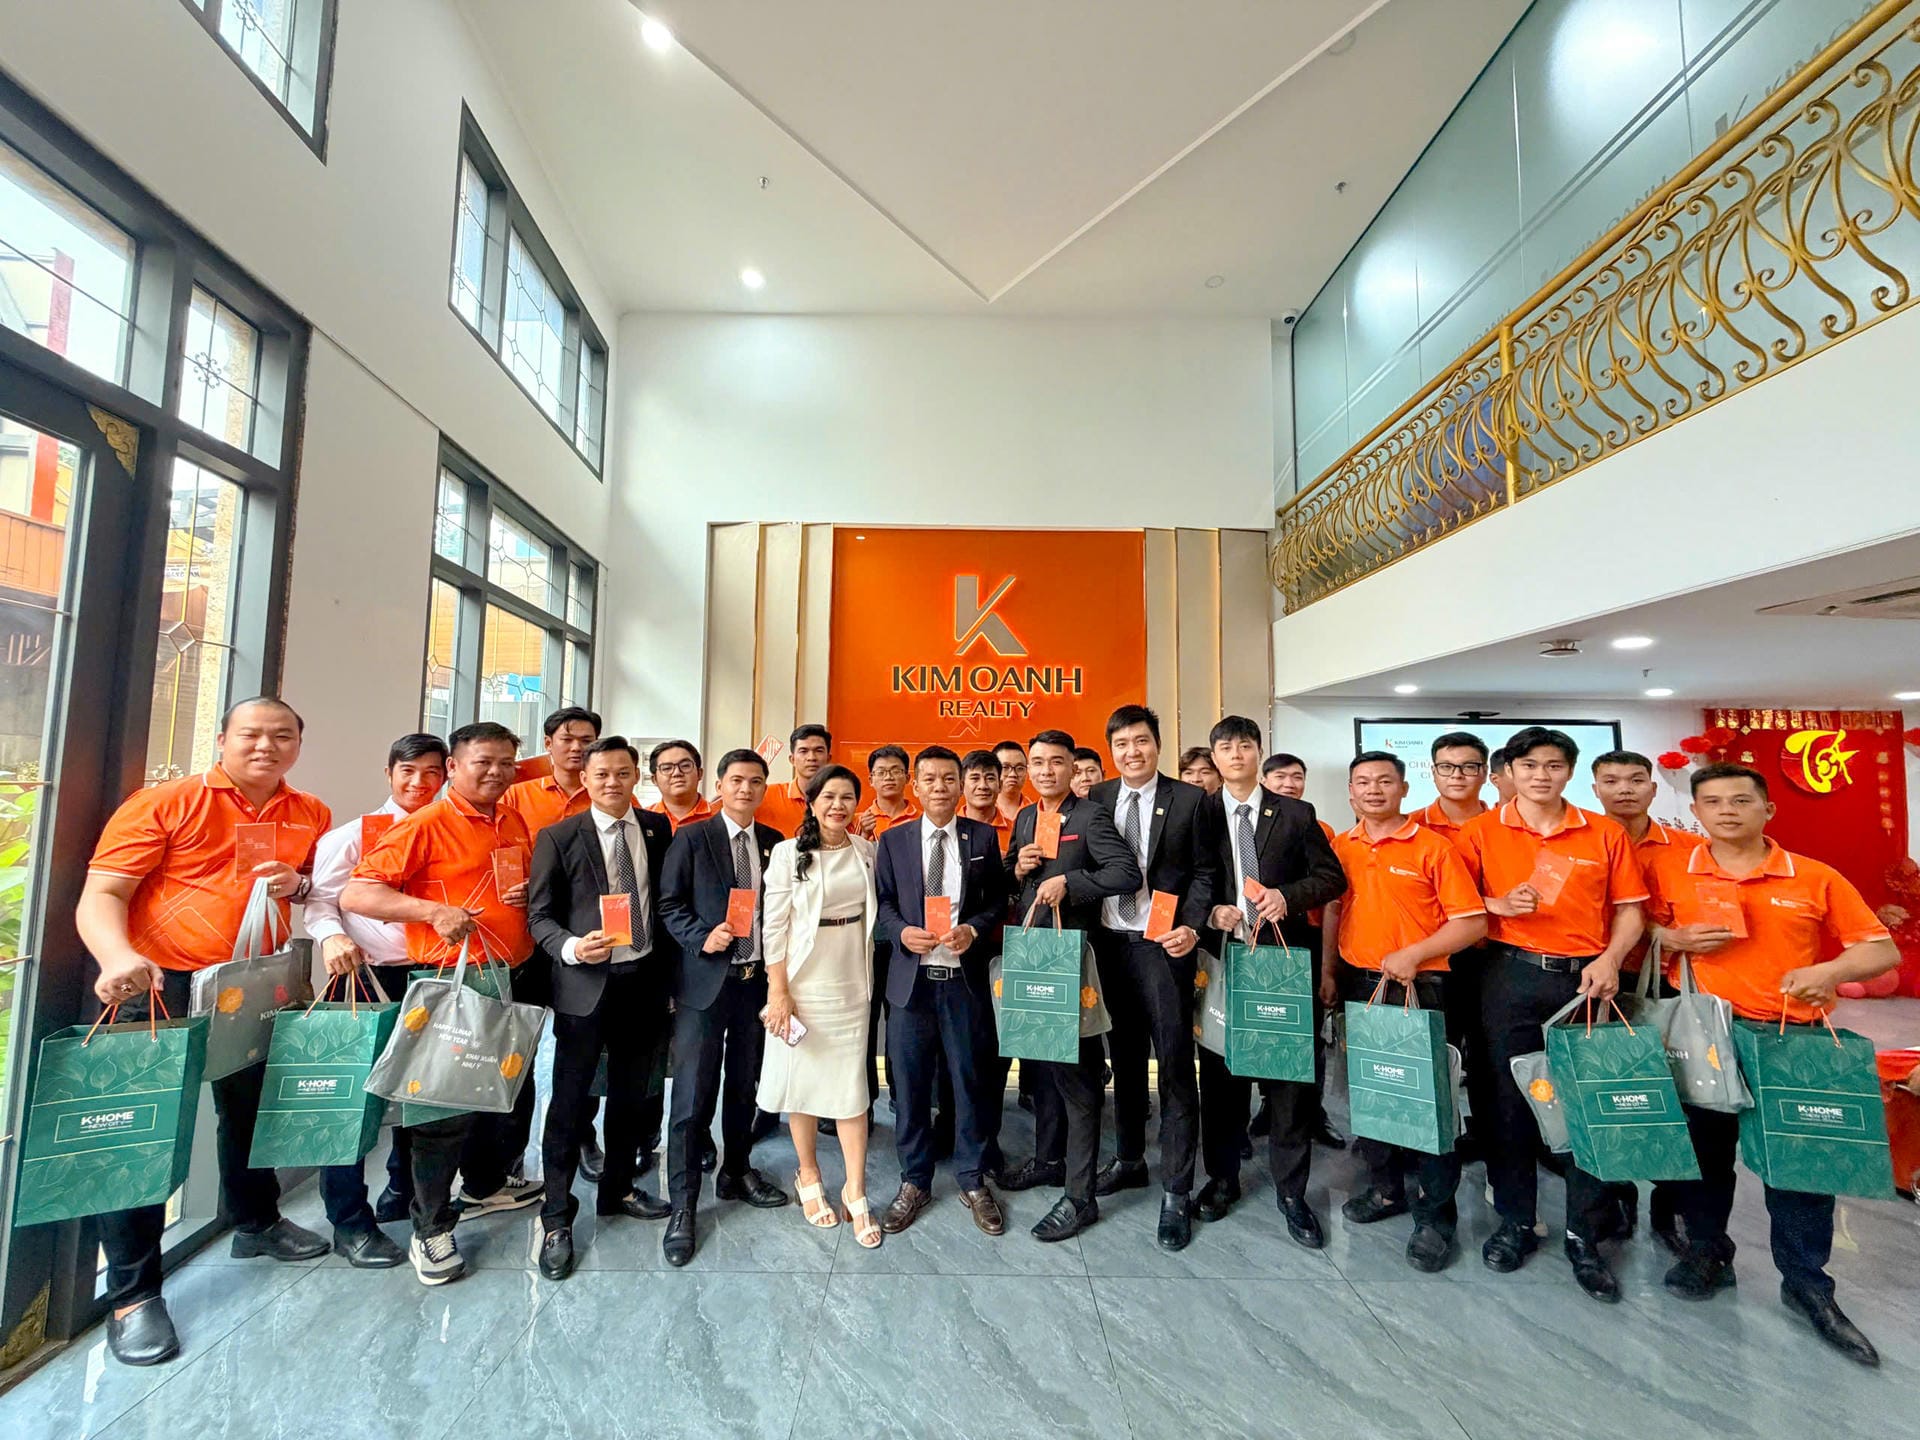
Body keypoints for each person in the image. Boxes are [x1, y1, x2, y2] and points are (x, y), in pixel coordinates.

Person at [77, 698, 333, 1366]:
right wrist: (116, 958)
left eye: (282, 736)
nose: (266, 746)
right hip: (158, 987)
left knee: (249, 1113)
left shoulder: (308, 812)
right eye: (251, 734)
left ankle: (257, 1222)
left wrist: (299, 885)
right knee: (142, 1134)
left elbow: (310, 890)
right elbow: (103, 894)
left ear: (297, 745)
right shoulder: (167, 803)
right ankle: (133, 1295)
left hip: (251, 983)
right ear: (222, 739)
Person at [1641, 763, 1896, 1366]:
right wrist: (1669, 939)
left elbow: (1879, 948)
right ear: (1695, 813)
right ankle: (1708, 1251)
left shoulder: (1813, 875)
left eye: (1740, 800)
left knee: (1801, 1164)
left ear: (1768, 810)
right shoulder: (1670, 868)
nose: (1726, 811)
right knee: (1704, 1157)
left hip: (1790, 1039)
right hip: (1704, 1034)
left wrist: (1830, 970)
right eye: (1712, 802)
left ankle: (1807, 1283)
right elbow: (1634, 924)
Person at [344, 720, 544, 1287]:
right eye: (484, 761)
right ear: (453, 767)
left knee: (501, 1095)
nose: (497, 772)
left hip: (509, 976)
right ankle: (430, 1228)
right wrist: (431, 912)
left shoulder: (509, 818)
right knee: (442, 1113)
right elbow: (359, 891)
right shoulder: (426, 824)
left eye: (506, 762)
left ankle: (484, 1187)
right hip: (451, 983)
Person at [1456, 726, 1647, 1303]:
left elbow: (1631, 910)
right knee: (1508, 1104)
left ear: (1570, 772)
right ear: (1510, 772)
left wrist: (1611, 960)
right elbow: (1450, 903)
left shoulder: (1604, 832)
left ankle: (1585, 1233)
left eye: (1554, 765)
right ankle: (1516, 1221)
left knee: (1588, 1105)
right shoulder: (1480, 832)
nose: (1541, 775)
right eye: (1529, 765)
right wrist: (1496, 903)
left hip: (1587, 979)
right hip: (1508, 974)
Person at [1322, 751, 1487, 1271]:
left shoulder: (1433, 847)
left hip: (1422, 985)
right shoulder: (1341, 847)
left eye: (1384, 781)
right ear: (1351, 792)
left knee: (1428, 1104)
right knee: (1372, 1092)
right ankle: (1387, 1188)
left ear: (1404, 789)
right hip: (1359, 982)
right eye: (1363, 782)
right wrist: (1328, 972)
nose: (1373, 790)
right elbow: (1334, 912)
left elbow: (1471, 922)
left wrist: (1414, 955)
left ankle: (1435, 1217)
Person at [525, 737, 677, 1280]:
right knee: (569, 1103)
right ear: (585, 779)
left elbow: (664, 905)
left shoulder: (656, 829)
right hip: (585, 988)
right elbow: (539, 916)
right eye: (602, 774)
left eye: (622, 773)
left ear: (637, 776)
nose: (613, 782)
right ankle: (556, 1216)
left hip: (643, 984)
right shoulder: (559, 836)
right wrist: (570, 947)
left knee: (633, 1097)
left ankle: (618, 1189)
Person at [1195, 716, 1346, 1247]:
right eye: (1225, 747)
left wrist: (1287, 897)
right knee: (1221, 1077)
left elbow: (1331, 878)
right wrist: (1208, 914)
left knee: (1289, 1083)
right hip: (1224, 958)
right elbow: (1186, 880)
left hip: (1283, 960)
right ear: (1214, 757)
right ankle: (1222, 1179)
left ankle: (1291, 1192)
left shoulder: (1296, 813)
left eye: (1245, 745)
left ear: (1259, 752)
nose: (1236, 754)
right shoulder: (1199, 812)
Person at [304, 732, 450, 1265]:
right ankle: (349, 1223)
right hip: (364, 980)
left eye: (431, 772)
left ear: (446, 775)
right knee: (350, 1104)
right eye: (408, 771)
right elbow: (321, 902)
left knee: (421, 1094)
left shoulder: (448, 832)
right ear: (389, 774)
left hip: (429, 976)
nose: (419, 782)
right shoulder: (350, 837)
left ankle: (402, 1192)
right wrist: (331, 938)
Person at [997, 730, 1141, 1241]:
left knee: (1079, 1083)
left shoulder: (1090, 816)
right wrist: (1018, 867)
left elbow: (1126, 873)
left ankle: (1080, 1198)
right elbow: (1011, 877)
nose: (1045, 771)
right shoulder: (1025, 817)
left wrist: (1071, 883)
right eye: (1036, 762)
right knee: (1044, 1074)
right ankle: (1049, 1160)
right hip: (1033, 958)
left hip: (1074, 963)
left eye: (1056, 762)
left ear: (1071, 767)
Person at [1089, 705, 1221, 1252]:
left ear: (1157, 744)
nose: (1132, 752)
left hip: (1162, 946)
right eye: (1121, 744)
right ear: (1111, 751)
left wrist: (1191, 926)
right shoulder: (1096, 798)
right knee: (1122, 1060)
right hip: (1109, 945)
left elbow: (1207, 873)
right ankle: (1129, 1160)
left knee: (1173, 1066)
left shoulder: (1190, 799)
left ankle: (1176, 1189)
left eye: (1140, 741)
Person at [656, 748, 791, 1266]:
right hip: (705, 983)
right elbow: (669, 904)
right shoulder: (693, 838)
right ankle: (684, 1203)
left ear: (763, 789)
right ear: (718, 785)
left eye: (755, 782)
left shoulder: (774, 843)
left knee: (744, 1086)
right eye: (736, 780)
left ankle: (736, 1170)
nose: (745, 789)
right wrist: (700, 936)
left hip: (756, 983)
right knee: (692, 1095)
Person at [874, 745, 1009, 1235]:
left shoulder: (982, 837)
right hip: (911, 986)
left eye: (948, 779)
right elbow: (883, 902)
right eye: (929, 779)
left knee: (970, 1082)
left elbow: (997, 901)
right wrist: (901, 932)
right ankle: (915, 1180)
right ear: (915, 785)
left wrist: (973, 928)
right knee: (910, 1087)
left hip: (963, 985)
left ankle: (973, 1179)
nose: (939, 787)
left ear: (961, 785)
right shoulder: (894, 840)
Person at [758, 764, 884, 1248]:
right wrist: (779, 990)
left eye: (847, 797)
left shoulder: (865, 850)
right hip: (804, 982)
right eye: (828, 796)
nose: (838, 805)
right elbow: (773, 927)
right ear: (811, 802)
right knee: (804, 1083)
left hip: (852, 979)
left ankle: (855, 1188)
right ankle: (808, 1173)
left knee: (851, 1086)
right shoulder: (788, 854)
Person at [1590, 747, 1684, 1248]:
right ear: (1595, 789)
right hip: (1600, 982)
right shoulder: (1582, 841)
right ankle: (1614, 1197)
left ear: (1652, 787)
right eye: (1611, 781)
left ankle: (1673, 1207)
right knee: (1609, 1095)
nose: (1623, 789)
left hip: (1670, 986)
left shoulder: (1689, 848)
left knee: (1678, 1095)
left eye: (1634, 779)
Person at [1247, 750, 1343, 1151]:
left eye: (1297, 777)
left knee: (1305, 1036)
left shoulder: (1314, 825)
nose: (1290, 784)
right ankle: (1269, 1106)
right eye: (1281, 777)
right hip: (1255, 944)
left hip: (1305, 941)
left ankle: (1311, 1113)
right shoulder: (1242, 824)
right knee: (1262, 1030)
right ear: (1264, 782)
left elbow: (1332, 886)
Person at [1418, 730, 1495, 1165]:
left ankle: (1489, 1137)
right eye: (1447, 767)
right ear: (1433, 772)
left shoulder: (1506, 824)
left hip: (1496, 957)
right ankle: (1434, 1144)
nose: (1458, 775)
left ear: (1484, 772)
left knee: (1489, 1057)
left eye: (1469, 767)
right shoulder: (1413, 826)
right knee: (1437, 1053)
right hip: (1435, 958)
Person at [502, 706, 600, 834]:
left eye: (586, 741)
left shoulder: (609, 793)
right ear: (548, 743)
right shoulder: (515, 795)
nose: (576, 747)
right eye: (567, 740)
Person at [758, 723, 832, 838]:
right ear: (792, 759)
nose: (811, 757)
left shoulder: (840, 800)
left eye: (819, 750)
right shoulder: (766, 795)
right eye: (803, 751)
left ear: (829, 758)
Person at [647, 739, 715, 833]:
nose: (677, 773)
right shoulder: (643, 820)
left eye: (685, 766)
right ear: (654, 779)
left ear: (699, 773)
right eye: (667, 768)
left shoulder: (721, 817)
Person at [856, 744, 918, 839]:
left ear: (907, 778)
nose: (888, 777)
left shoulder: (922, 819)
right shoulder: (857, 821)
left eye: (895, 771)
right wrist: (864, 835)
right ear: (871, 780)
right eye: (881, 772)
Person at [961, 747, 1016, 848]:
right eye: (975, 778)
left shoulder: (1017, 833)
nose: (983, 786)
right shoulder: (947, 829)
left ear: (1000, 785)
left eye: (990, 778)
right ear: (961, 785)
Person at [993, 739, 1030, 826]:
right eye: (1005, 767)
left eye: (1020, 768)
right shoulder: (980, 813)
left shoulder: (1039, 813)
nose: (1013, 774)